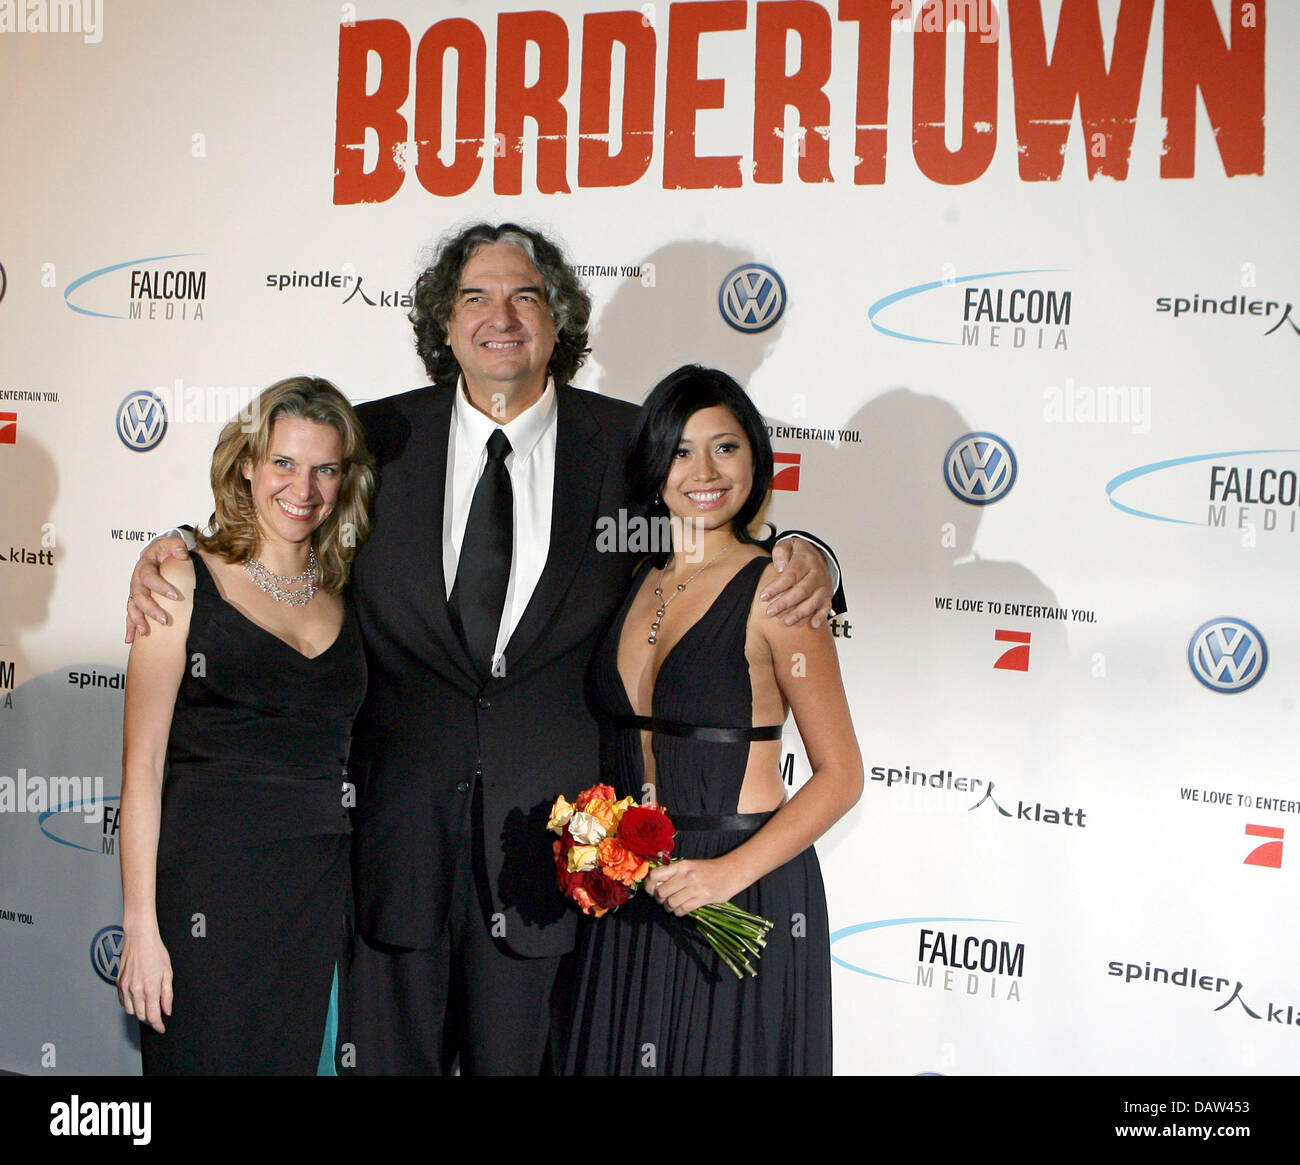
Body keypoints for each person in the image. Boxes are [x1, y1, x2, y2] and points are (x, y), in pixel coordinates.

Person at [126, 223, 841, 1076]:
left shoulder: (627, 451)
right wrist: (171, 545)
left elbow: (715, 534)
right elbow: (278, 527)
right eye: (475, 297)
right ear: (444, 321)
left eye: (524, 296)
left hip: (549, 868)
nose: (500, 316)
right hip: (389, 860)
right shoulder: (373, 444)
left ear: (557, 319)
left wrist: (810, 553)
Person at [562, 366, 863, 1075]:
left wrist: (726, 875)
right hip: (633, 887)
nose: (704, 471)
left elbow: (842, 775)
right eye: (682, 450)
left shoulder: (778, 590)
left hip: (741, 890)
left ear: (755, 460)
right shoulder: (635, 577)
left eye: (725, 447)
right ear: (654, 465)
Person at [117, 376, 374, 1075]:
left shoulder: (349, 598)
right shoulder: (182, 579)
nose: (304, 487)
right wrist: (140, 925)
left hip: (317, 892)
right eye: (285, 463)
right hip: (206, 890)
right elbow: (140, 770)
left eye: (324, 467)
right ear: (249, 466)